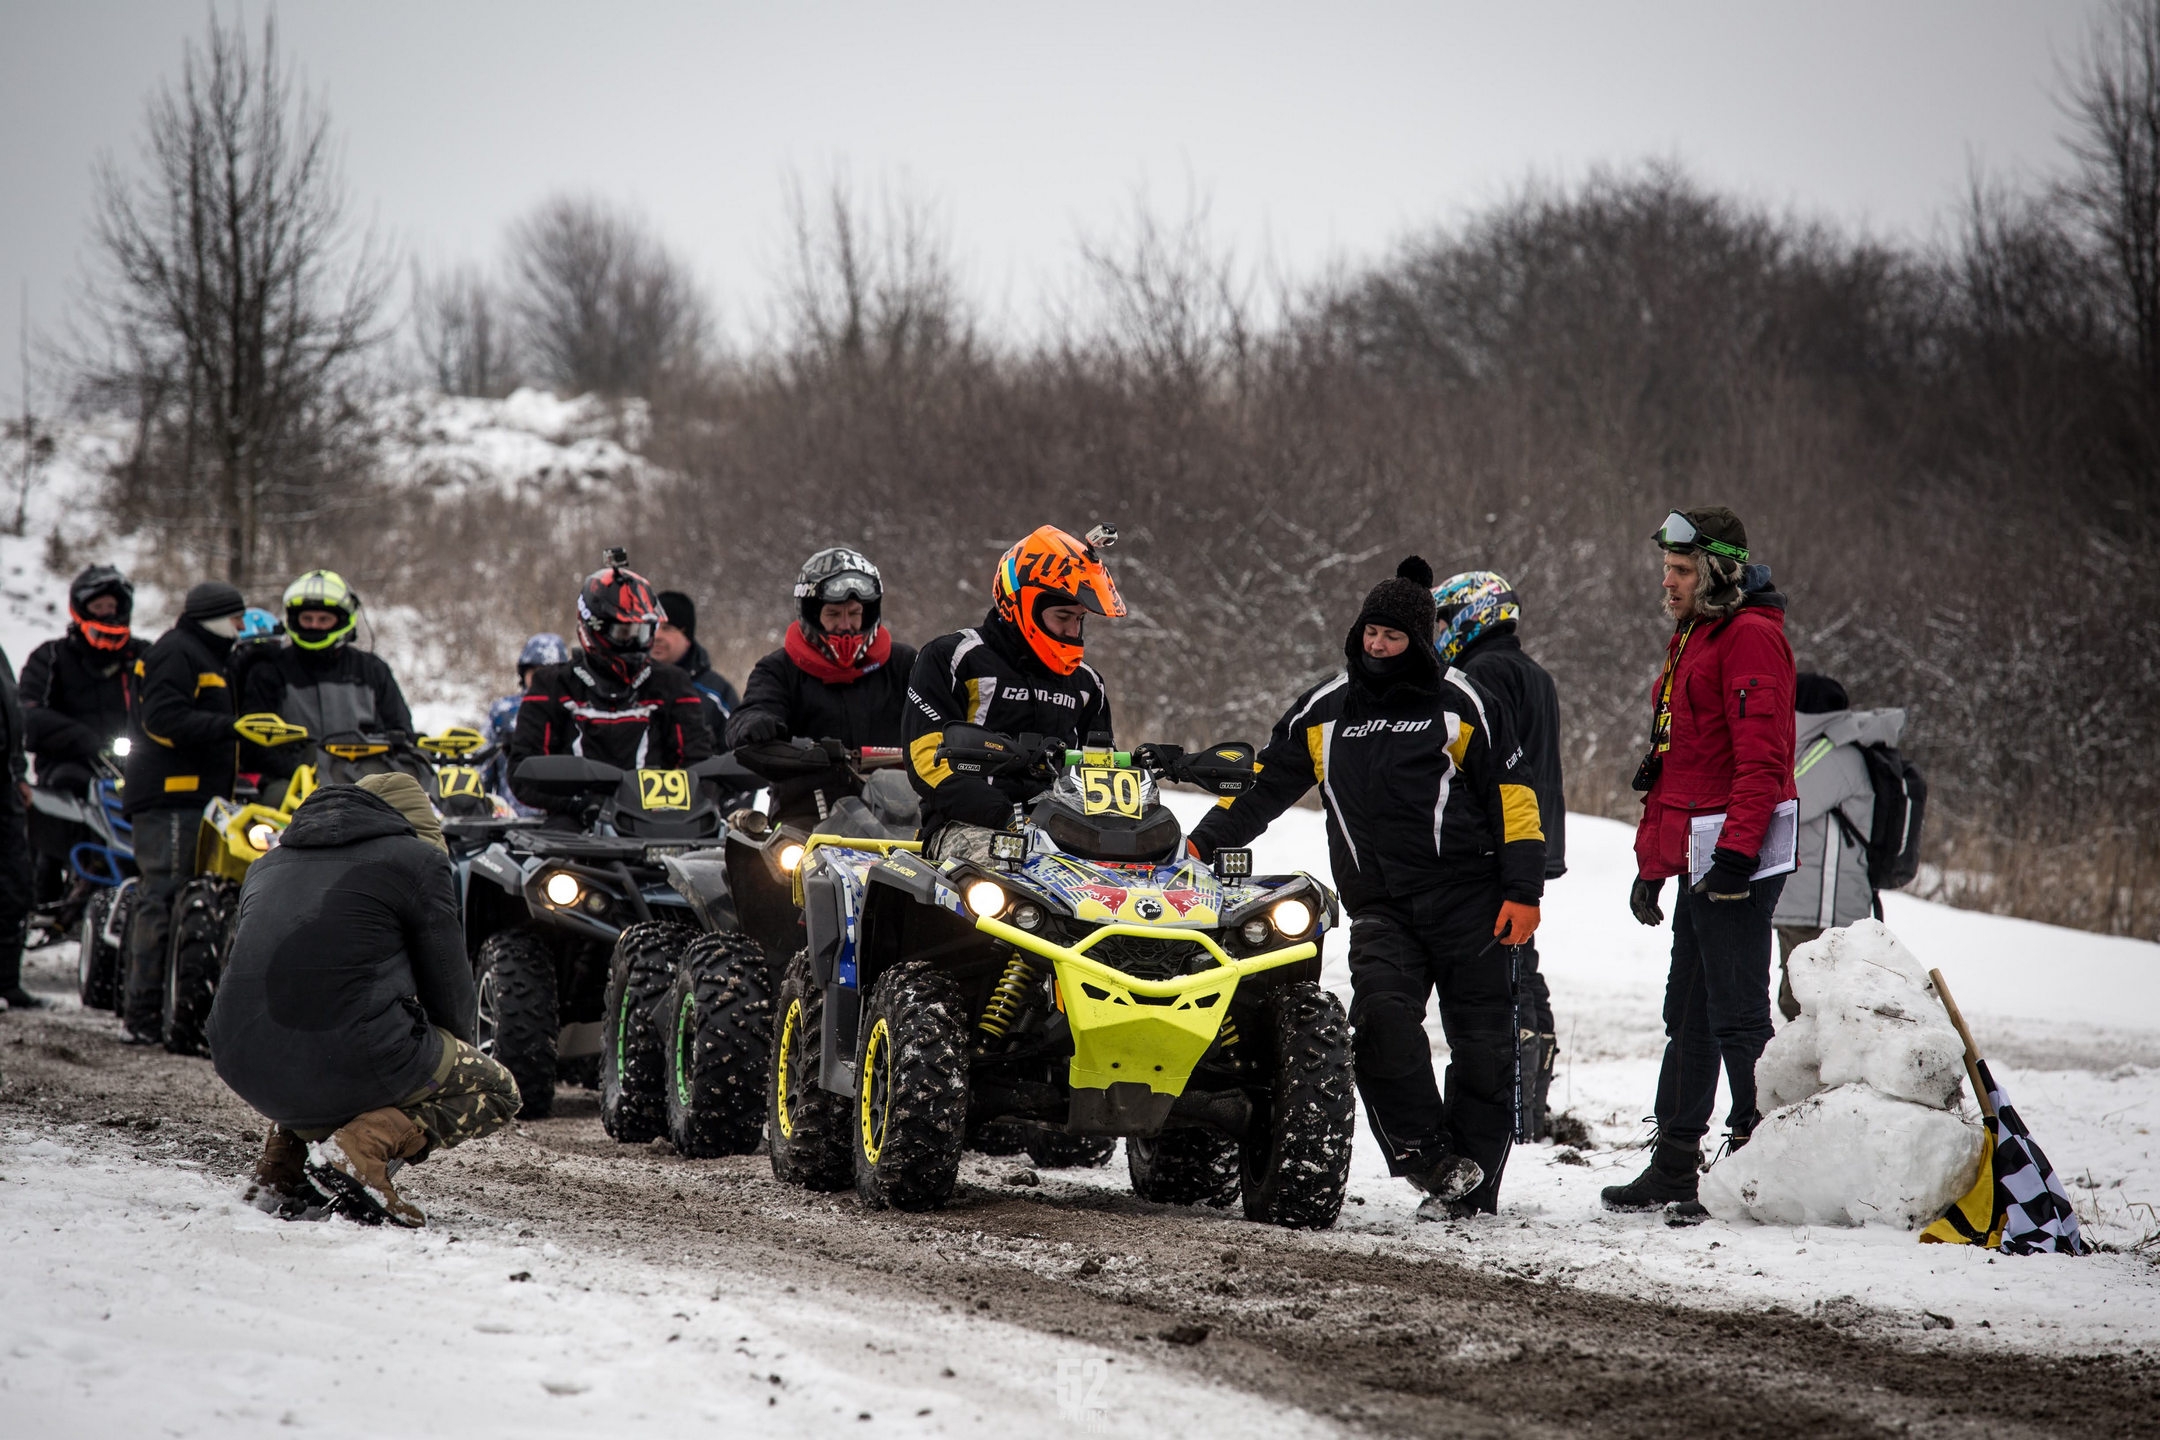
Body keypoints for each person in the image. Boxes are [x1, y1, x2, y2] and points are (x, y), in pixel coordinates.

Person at [1191, 557, 1547, 1219]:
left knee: (1485, 1047)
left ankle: (1475, 1196)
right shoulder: (1326, 708)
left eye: (1393, 637)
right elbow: (1267, 785)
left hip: (1472, 899)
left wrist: (1523, 891)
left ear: (1421, 642)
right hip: (1381, 906)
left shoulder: (1462, 700)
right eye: (1369, 635)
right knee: (1380, 1024)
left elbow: (1515, 798)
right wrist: (1202, 841)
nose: (1378, 647)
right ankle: (1430, 1160)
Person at [207, 772, 518, 1226]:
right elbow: (449, 985)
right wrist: (451, 1054)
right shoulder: (419, 862)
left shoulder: (265, 866)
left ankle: (279, 1170)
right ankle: (360, 1150)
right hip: (350, 1055)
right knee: (497, 1089)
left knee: (325, 1033)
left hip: (237, 1056)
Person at [1605, 507, 1797, 1215]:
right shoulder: (1696, 632)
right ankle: (1675, 1165)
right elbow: (1677, 764)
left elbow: (1761, 759)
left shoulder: (1748, 637)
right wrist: (1655, 863)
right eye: (1666, 568)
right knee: (1684, 1012)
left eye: (1682, 570)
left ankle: (1757, 1174)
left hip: (1736, 858)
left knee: (1738, 1016)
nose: (1668, 581)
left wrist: (1739, 856)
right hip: (1698, 853)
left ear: (1717, 571)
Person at [1431, 568, 1570, 1141]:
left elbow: (1489, 766)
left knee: (1506, 977)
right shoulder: (1532, 672)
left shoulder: (1481, 673)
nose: (1437, 634)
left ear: (1471, 616)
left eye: (1442, 621)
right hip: (1535, 838)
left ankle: (1518, 1110)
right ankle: (1528, 1107)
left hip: (1500, 844)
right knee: (1522, 967)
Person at [903, 524, 1120, 858]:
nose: (1073, 630)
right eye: (1063, 616)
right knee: (1004, 869)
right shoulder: (954, 658)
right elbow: (927, 759)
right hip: (968, 827)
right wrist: (1005, 816)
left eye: (1079, 619)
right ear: (1022, 604)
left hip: (1067, 832)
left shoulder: (1088, 684)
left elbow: (1102, 772)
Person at [121, 581, 249, 1044]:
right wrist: (231, 727)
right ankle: (142, 1014)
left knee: (189, 899)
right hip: (170, 798)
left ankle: (171, 1015)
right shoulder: (177, 652)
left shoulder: (211, 657)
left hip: (200, 799)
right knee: (163, 894)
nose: (242, 626)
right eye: (237, 617)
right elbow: (162, 719)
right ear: (216, 616)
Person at [508, 550, 714, 818]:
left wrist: (684, 807)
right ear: (594, 628)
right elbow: (523, 769)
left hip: (659, 824)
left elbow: (698, 762)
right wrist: (577, 804)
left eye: (642, 631)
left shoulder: (672, 683)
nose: (636, 642)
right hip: (577, 823)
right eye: (625, 632)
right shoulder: (553, 684)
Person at [726, 548, 918, 828]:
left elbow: (939, 712)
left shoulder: (903, 664)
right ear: (812, 615)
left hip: (898, 817)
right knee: (763, 866)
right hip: (807, 816)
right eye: (833, 614)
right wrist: (756, 724)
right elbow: (749, 713)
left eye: (855, 613)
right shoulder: (779, 669)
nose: (846, 626)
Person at [1771, 672, 1906, 1017]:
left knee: (1813, 1009)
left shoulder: (1836, 755)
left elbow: (1785, 801)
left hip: (1823, 910)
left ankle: (1824, 1073)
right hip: (1806, 903)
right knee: (1800, 1004)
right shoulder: (1818, 748)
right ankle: (1819, 1071)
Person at [21, 566, 146, 934]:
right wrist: (81, 738)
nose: (107, 612)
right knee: (58, 804)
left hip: (135, 767)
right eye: (99, 605)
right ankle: (44, 891)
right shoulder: (53, 657)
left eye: (113, 605)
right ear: (81, 608)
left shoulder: (144, 657)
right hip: (71, 765)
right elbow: (27, 716)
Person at [239, 570, 412, 788]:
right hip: (293, 783)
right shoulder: (269, 670)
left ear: (340, 620)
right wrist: (305, 770)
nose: (314, 625)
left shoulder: (372, 670)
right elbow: (253, 740)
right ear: (294, 619)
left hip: (365, 784)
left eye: (323, 619)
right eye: (307, 618)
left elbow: (401, 732)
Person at [485, 633, 570, 810]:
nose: (544, 679)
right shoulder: (503, 712)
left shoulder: (574, 710)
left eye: (551, 672)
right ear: (524, 674)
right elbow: (485, 764)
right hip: (512, 815)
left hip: (563, 813)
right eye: (537, 673)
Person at [0, 643, 37, 1010]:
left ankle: (8, 981)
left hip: (6, 784)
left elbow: (14, 720)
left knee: (15, 884)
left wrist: (18, 772)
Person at [653, 590, 741, 740]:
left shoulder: (717, 693)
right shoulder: (628, 684)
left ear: (686, 637)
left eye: (667, 628)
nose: (657, 636)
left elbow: (735, 752)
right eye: (652, 626)